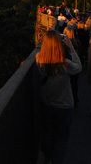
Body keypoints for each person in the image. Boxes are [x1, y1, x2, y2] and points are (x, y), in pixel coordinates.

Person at [36, 29, 82, 164]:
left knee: (48, 133)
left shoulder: (39, 58)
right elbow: (79, 67)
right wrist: (71, 47)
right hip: (64, 106)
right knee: (61, 138)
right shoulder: (65, 64)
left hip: (46, 103)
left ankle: (47, 157)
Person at [64, 24, 81, 107]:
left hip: (68, 66)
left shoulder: (64, 44)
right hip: (75, 64)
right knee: (75, 84)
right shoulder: (77, 42)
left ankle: (70, 100)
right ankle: (75, 99)